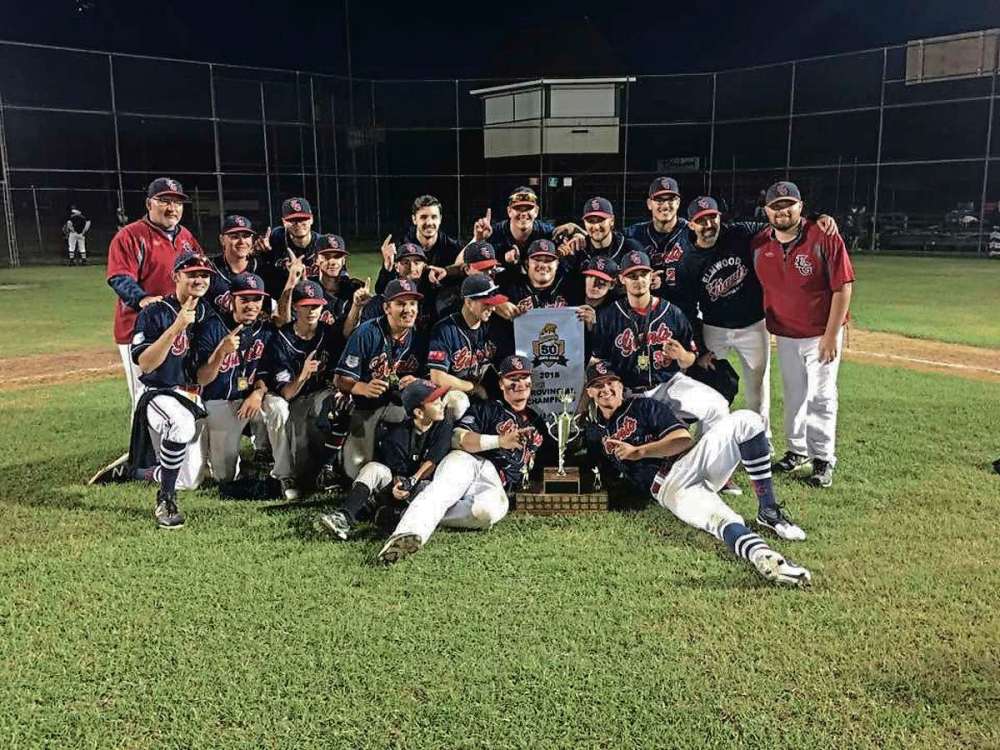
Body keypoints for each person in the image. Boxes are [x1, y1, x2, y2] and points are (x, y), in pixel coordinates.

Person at [583, 360, 810, 584]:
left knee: (747, 420)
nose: (606, 389)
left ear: (621, 386)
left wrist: (639, 452)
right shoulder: (595, 431)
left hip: (691, 461)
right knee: (721, 521)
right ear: (590, 392)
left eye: (611, 382)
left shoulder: (643, 407)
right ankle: (762, 556)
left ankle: (768, 510)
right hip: (670, 488)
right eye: (599, 385)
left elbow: (681, 439)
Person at [376, 355, 546, 565]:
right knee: (443, 490)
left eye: (524, 378)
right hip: (469, 461)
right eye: (513, 379)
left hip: (496, 483)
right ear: (501, 383)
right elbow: (459, 438)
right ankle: (404, 534)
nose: (520, 385)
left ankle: (402, 511)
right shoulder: (487, 408)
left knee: (487, 513)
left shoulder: (539, 421)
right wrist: (499, 441)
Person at [752, 181, 855, 488]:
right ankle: (797, 451)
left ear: (800, 206)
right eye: (776, 205)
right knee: (794, 395)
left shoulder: (824, 236)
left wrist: (830, 335)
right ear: (766, 210)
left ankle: (823, 458)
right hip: (785, 333)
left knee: (821, 396)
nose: (782, 210)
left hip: (820, 333)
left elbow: (843, 287)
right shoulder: (759, 242)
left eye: (788, 204)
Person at [592, 249, 729, 434]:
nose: (639, 280)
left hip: (667, 386)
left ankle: (702, 456)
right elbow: (597, 361)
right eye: (632, 275)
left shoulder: (673, 313)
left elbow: (691, 359)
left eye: (643, 274)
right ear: (622, 279)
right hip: (626, 393)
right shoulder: (608, 316)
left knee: (717, 406)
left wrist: (682, 355)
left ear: (650, 276)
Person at [126, 250, 215, 529]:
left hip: (192, 395)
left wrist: (221, 353)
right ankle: (165, 498)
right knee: (180, 426)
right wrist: (177, 327)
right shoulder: (154, 313)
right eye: (192, 274)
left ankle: (140, 471)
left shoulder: (207, 315)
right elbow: (146, 364)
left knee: (190, 479)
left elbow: (203, 375)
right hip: (158, 392)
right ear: (176, 276)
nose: (199, 279)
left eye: (204, 275)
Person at [106, 177, 204, 415]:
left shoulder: (185, 237)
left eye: (177, 202)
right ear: (149, 204)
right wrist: (141, 299)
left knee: (180, 392)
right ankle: (142, 451)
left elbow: (204, 271)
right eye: (165, 201)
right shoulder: (130, 236)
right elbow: (119, 276)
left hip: (180, 327)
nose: (172, 208)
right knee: (145, 396)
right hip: (140, 327)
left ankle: (177, 449)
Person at [318, 379, 454, 540]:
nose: (441, 404)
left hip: (425, 484)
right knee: (373, 469)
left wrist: (413, 480)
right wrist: (399, 485)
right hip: (399, 486)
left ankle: (383, 512)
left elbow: (433, 458)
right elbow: (397, 472)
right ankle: (344, 516)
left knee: (429, 489)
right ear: (419, 412)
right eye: (435, 401)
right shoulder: (396, 436)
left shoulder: (444, 421)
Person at [193, 272, 292, 486]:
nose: (251, 305)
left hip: (251, 400)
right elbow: (201, 379)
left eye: (256, 299)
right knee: (224, 476)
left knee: (279, 408)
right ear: (231, 300)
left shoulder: (265, 329)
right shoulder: (212, 328)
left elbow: (268, 370)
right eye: (244, 299)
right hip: (220, 402)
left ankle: (284, 475)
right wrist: (220, 353)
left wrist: (258, 392)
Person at [334, 278, 427, 479]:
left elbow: (429, 381)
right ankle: (335, 459)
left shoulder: (419, 338)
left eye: (412, 303)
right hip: (364, 407)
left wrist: (417, 383)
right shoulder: (366, 333)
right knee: (355, 471)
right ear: (386, 307)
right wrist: (361, 387)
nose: (408, 310)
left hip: (397, 406)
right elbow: (340, 379)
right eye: (401, 304)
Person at [259, 280, 345, 498]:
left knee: (336, 402)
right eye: (306, 305)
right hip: (286, 398)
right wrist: (304, 374)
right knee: (278, 410)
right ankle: (284, 474)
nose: (311, 310)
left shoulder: (329, 334)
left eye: (316, 305)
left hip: (316, 395)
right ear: (295, 306)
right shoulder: (280, 340)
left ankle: (329, 468)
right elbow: (287, 392)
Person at [427, 273, 507, 418]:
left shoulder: (493, 327)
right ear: (469, 302)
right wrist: (473, 388)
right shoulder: (445, 329)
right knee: (458, 402)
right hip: (450, 393)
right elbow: (438, 377)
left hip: (483, 390)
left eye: (493, 302)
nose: (493, 308)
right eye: (486, 304)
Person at [471, 186, 583, 270]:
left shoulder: (548, 233)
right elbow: (464, 264)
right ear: (509, 211)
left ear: (536, 211)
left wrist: (576, 231)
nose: (523, 213)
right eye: (518, 208)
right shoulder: (493, 232)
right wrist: (477, 239)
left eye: (528, 208)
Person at [623, 177, 689, 295]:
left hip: (683, 305)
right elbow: (606, 240)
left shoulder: (691, 232)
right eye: (659, 200)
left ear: (678, 202)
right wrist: (580, 238)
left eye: (670, 200)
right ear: (649, 204)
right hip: (645, 305)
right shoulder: (634, 233)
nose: (665, 206)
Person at [255, 197, 322, 299]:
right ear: (284, 222)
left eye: (303, 218)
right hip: (282, 300)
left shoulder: (323, 245)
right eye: (292, 220)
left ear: (311, 219)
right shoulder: (276, 238)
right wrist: (256, 252)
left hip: (315, 301)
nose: (298, 224)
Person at [206, 215, 261, 314]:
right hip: (218, 328)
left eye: (246, 236)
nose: (242, 242)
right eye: (235, 237)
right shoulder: (208, 269)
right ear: (222, 240)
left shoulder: (263, 267)